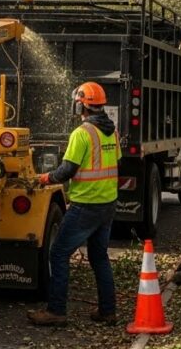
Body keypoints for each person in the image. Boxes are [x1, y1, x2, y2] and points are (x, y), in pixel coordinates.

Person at [28, 81, 121, 327]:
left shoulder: (82, 133)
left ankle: (56, 311)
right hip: (107, 203)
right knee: (99, 257)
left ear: (81, 105)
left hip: (86, 204)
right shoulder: (112, 131)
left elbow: (68, 169)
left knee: (58, 253)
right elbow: (113, 162)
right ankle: (107, 311)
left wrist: (46, 178)